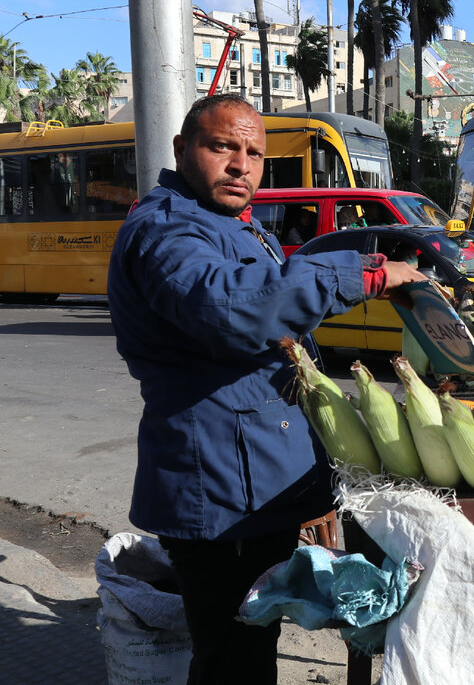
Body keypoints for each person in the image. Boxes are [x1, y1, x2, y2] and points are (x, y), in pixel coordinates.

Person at [107, 94, 424, 684]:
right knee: (233, 660)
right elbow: (236, 306)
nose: (241, 165)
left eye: (254, 153)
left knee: (248, 649)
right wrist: (365, 275)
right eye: (223, 146)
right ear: (182, 150)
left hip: (253, 480)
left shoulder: (228, 224)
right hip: (219, 489)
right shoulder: (167, 231)